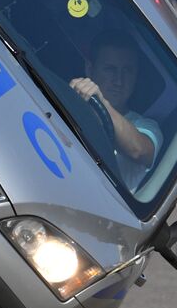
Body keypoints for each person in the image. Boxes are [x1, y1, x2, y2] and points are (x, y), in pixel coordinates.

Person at [69, 30, 161, 192]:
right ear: (90, 69)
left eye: (127, 71)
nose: (119, 80)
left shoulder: (146, 126)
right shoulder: (70, 106)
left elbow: (138, 150)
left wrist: (101, 103)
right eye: (110, 69)